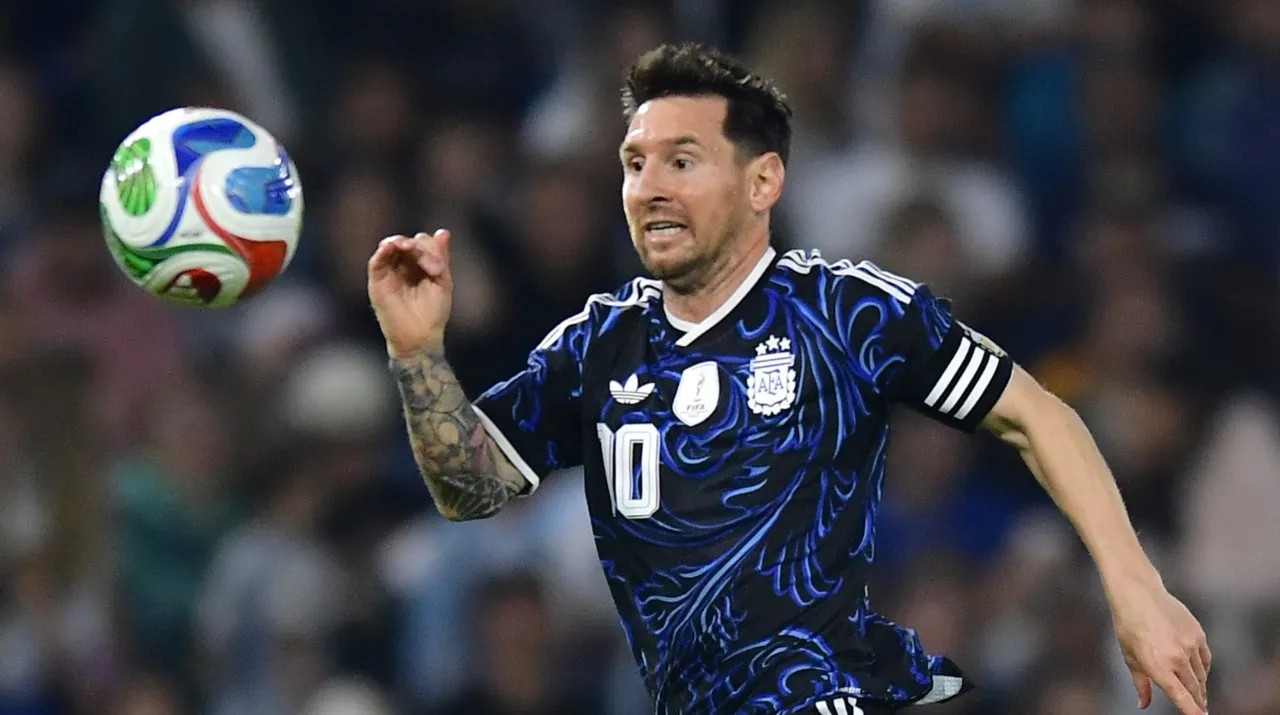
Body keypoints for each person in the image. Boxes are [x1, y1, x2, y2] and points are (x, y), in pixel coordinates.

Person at [367, 43, 1211, 715]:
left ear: (762, 179)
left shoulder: (845, 313)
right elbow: (470, 486)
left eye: (682, 161)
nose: (648, 188)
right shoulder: (599, 345)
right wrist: (416, 354)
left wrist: (1136, 589)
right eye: (633, 163)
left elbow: (1039, 417)